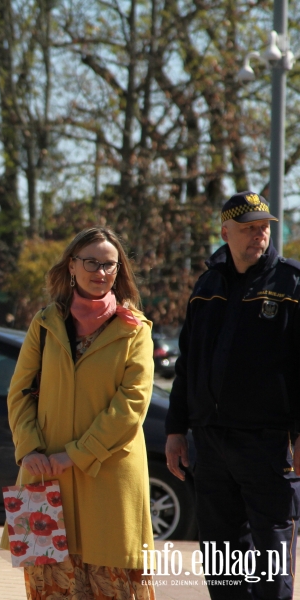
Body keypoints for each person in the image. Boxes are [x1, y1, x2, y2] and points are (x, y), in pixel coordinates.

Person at [2, 227, 155, 600]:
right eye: (91, 262)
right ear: (72, 266)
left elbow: (131, 405)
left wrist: (76, 454)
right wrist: (31, 449)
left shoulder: (135, 329)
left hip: (109, 482)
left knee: (115, 590)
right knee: (50, 591)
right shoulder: (44, 323)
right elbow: (20, 393)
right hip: (45, 479)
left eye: (109, 265)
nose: (100, 271)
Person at [166, 191, 300, 599]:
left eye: (263, 228)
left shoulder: (291, 284)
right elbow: (187, 364)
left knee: (270, 559)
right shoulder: (207, 285)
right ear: (225, 232)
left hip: (269, 443)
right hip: (210, 443)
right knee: (221, 559)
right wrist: (175, 430)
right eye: (248, 229)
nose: (258, 235)